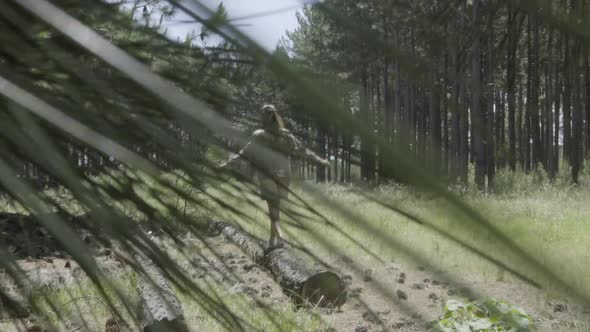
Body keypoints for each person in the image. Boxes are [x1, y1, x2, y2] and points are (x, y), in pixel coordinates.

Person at [219, 104, 330, 250]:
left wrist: (227, 164)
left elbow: (244, 153)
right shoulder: (286, 135)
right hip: (284, 174)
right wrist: (320, 160)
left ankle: (280, 236)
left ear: (264, 117)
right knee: (275, 206)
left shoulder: (259, 135)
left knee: (273, 207)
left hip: (267, 174)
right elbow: (303, 151)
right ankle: (272, 240)